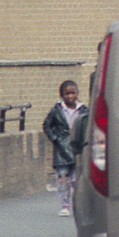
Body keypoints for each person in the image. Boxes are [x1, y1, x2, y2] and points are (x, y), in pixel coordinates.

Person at [45, 79, 85, 214]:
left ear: (77, 93)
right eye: (67, 94)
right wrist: (55, 139)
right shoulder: (57, 110)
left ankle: (76, 204)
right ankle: (65, 206)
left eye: (73, 93)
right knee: (63, 179)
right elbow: (46, 125)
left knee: (76, 180)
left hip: (77, 148)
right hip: (61, 150)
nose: (70, 96)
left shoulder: (83, 110)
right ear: (62, 95)